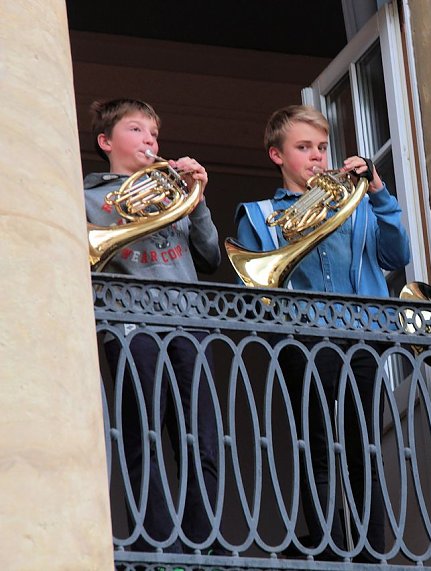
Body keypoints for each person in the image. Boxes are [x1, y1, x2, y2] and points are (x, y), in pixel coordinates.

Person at [233, 105, 411, 561]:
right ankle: (329, 546)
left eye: (321, 147)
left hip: (362, 336)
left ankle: (371, 550)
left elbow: (396, 255)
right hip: (302, 340)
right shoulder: (260, 215)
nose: (316, 156)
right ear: (277, 155)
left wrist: (378, 192)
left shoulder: (356, 204)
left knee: (363, 446)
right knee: (315, 446)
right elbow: (252, 284)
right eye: (303, 147)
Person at [85, 98, 222, 554]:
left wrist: (197, 198)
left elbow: (210, 256)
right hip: (130, 326)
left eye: (154, 133)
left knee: (201, 442)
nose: (150, 140)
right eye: (136, 130)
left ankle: (203, 544)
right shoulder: (88, 195)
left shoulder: (173, 188)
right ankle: (159, 547)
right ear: (107, 142)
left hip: (187, 322)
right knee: (145, 437)